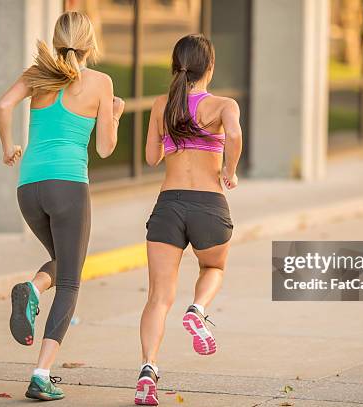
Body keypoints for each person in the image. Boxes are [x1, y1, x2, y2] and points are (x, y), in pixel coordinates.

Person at [0, 11, 124, 401]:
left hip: (28, 188)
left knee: (65, 263)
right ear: (91, 43)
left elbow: (3, 106)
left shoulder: (38, 74)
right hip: (68, 187)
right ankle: (41, 373)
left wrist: (7, 148)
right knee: (70, 280)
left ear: (56, 40)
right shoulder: (100, 82)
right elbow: (104, 147)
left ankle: (33, 289)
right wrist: (113, 115)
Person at [136, 34, 243, 406]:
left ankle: (148, 369)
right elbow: (234, 133)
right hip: (209, 205)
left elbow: (151, 158)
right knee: (213, 266)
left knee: (158, 298)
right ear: (209, 67)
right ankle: (198, 310)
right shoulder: (223, 104)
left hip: (168, 205)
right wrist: (229, 169)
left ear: (175, 67)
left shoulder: (161, 105)